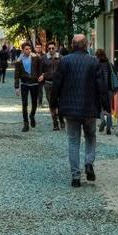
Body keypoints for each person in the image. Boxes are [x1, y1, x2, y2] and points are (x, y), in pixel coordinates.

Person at [50, 34, 106, 188]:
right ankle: (88, 163)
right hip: (89, 108)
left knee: (73, 141)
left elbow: (56, 84)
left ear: (72, 45)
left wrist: (53, 104)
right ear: (86, 45)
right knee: (90, 137)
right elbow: (101, 86)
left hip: (70, 109)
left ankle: (75, 177)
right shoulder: (94, 61)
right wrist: (106, 106)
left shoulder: (64, 61)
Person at [13, 42, 43, 132]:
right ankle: (25, 123)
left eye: (29, 49)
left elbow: (41, 67)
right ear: (23, 50)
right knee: (24, 104)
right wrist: (16, 87)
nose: (28, 50)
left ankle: (32, 115)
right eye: (26, 49)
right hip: (24, 84)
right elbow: (16, 75)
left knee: (34, 103)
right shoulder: (19, 60)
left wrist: (41, 77)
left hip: (34, 83)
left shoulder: (35, 58)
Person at [41, 41, 64, 130]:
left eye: (52, 48)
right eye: (49, 48)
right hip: (48, 84)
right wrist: (42, 78)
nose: (51, 50)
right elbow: (41, 71)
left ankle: (61, 118)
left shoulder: (61, 58)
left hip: (59, 84)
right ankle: (55, 122)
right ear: (47, 49)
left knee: (60, 103)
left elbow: (64, 70)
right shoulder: (44, 58)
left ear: (56, 48)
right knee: (51, 104)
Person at [95, 49, 117, 135]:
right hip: (109, 89)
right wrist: (115, 89)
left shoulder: (96, 65)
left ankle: (103, 121)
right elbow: (115, 76)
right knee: (108, 108)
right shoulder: (109, 64)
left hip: (100, 90)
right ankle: (108, 127)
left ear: (97, 56)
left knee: (101, 107)